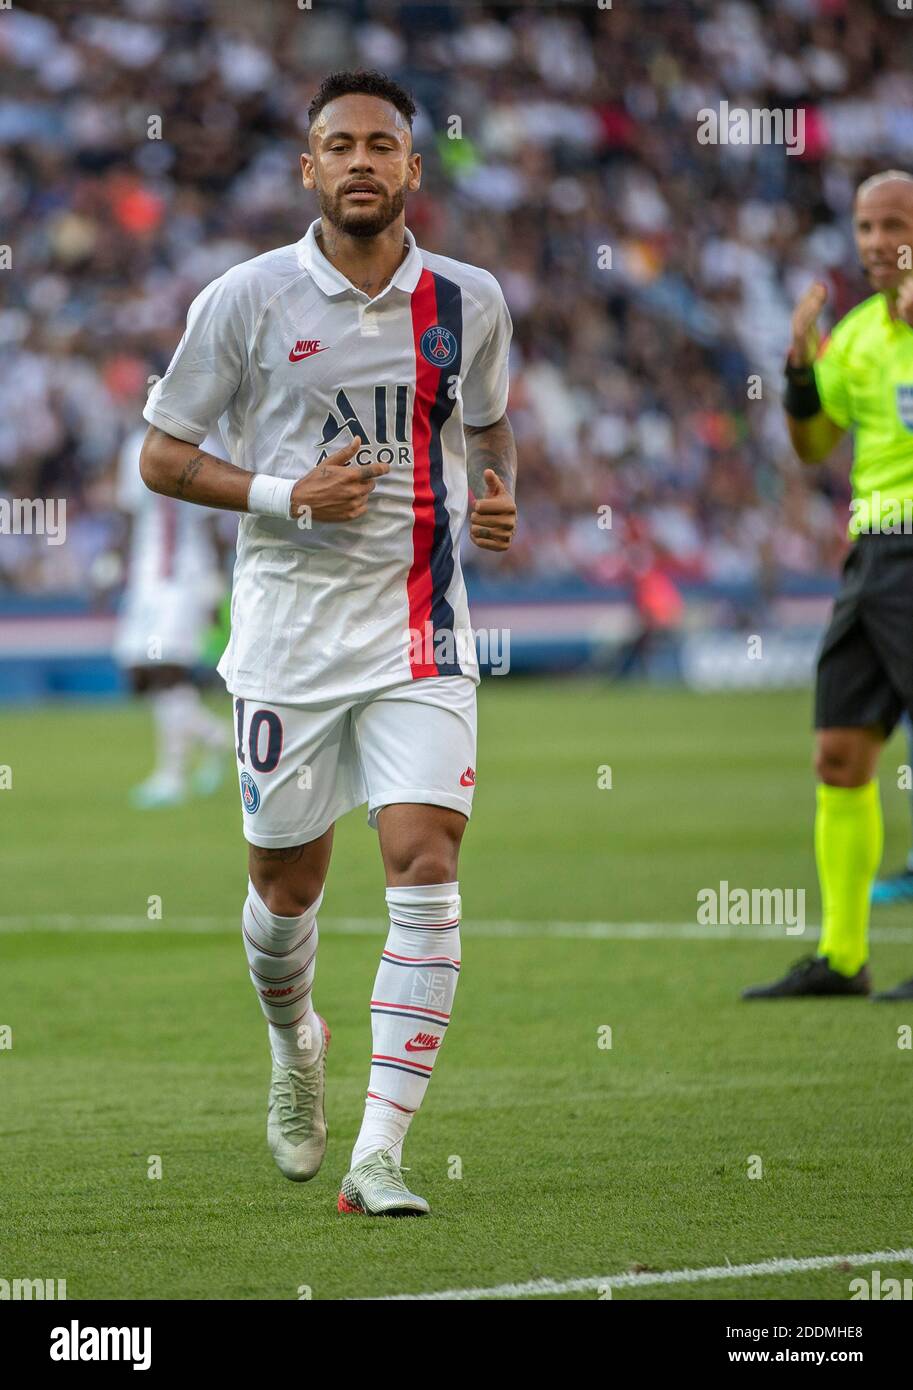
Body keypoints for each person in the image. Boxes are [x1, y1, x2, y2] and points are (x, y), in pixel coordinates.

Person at [138, 70, 517, 1212]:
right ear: (309, 168)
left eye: (382, 144)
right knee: (285, 888)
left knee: (422, 861)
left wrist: (496, 496)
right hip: (288, 645)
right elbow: (161, 455)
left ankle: (379, 1153)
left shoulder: (470, 300)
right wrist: (285, 495)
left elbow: (489, 424)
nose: (361, 161)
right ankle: (294, 1039)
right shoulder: (246, 299)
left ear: (412, 167)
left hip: (421, 630)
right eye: (338, 144)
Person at [743, 170, 913, 1003]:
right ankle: (843, 958)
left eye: (893, 225)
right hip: (872, 554)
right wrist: (801, 372)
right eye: (864, 226)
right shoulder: (857, 331)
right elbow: (814, 448)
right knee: (839, 753)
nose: (877, 241)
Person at [113, 422, 231, 808]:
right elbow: (128, 516)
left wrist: (214, 587)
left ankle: (172, 776)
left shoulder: (205, 446)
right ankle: (218, 737)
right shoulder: (135, 445)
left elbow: (213, 523)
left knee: (167, 668)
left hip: (185, 576)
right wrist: (112, 568)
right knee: (138, 673)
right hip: (146, 577)